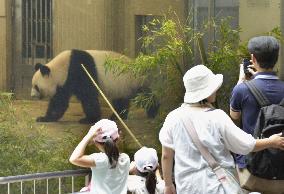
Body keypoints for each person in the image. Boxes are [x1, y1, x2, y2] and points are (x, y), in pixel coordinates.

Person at [159, 64, 284, 194]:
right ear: (206, 92)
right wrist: (271, 141)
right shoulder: (216, 117)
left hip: (187, 187)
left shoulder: (173, 117)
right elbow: (246, 145)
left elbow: (167, 155)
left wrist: (168, 184)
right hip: (216, 186)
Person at [230, 36, 284, 193]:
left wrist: (241, 82)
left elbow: (234, 117)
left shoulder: (242, 89)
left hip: (251, 170)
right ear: (276, 58)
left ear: (252, 58)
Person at [69, 119, 130, 194]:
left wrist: (89, 135)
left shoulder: (99, 160)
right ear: (118, 138)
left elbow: (74, 159)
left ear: (96, 143)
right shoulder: (126, 158)